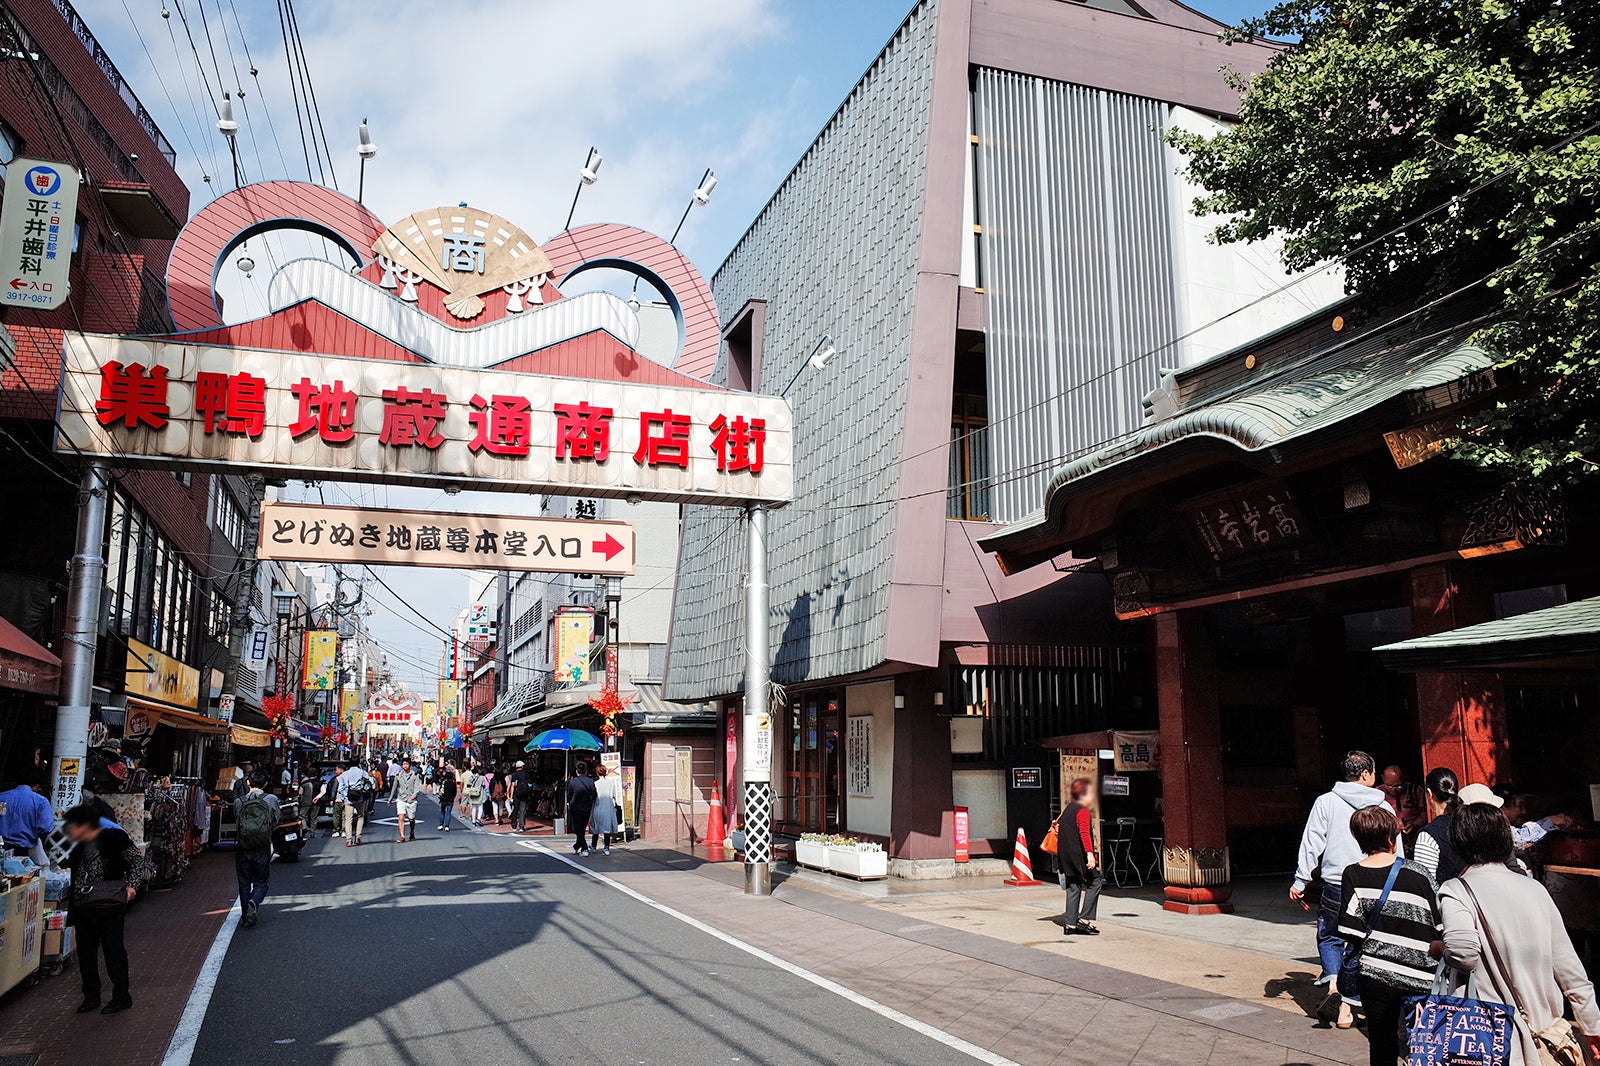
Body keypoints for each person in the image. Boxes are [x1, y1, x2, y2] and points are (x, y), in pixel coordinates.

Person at [1439, 802, 1600, 1065]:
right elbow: (1570, 970)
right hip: (1546, 1038)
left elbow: (1463, 953)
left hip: (1491, 1040)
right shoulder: (1534, 889)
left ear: (1460, 843)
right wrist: (1592, 1026)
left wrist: (1440, 949)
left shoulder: (1456, 890)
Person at [1290, 750, 1394, 1021]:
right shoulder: (1384, 807)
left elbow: (1312, 842)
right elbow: (1397, 848)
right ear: (1366, 774)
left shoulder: (1326, 802)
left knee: (1331, 936)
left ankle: (1335, 985)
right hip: (1377, 883)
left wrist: (1301, 879)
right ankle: (1356, 1000)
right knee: (1366, 940)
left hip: (1337, 883)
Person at [1337, 804, 1441, 1060]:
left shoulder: (1353, 874)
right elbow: (1440, 922)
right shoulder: (1419, 872)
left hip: (1376, 975)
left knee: (1382, 1045)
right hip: (1421, 974)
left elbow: (1351, 929)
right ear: (1390, 838)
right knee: (1423, 1046)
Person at [61, 803, 147, 1015]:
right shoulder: (78, 843)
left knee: (113, 950)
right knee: (86, 952)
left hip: (110, 902)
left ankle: (121, 996)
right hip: (83, 903)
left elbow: (137, 861)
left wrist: (132, 887)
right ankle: (91, 996)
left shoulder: (114, 838)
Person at [1058, 777, 1104, 937]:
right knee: (1096, 882)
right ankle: (1084, 920)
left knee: (1074, 886)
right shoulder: (1082, 810)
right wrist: (1090, 855)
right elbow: (1084, 833)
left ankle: (1070, 924)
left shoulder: (1069, 808)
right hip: (1078, 856)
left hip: (1065, 856)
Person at [233, 771, 280, 928]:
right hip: (262, 845)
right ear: (265, 784)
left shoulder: (239, 801)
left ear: (248, 783)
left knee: (244, 881)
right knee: (261, 881)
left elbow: (237, 820)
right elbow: (275, 820)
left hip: (243, 845)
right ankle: (254, 901)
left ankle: (246, 915)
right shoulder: (271, 799)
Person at [1412, 768, 1463, 882]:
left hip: (1446, 897)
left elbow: (1424, 882)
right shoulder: (1470, 823)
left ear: (1429, 794)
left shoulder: (1428, 835)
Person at [0, 771, 54, 861]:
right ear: (37, 785)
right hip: (25, 851)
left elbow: (2, 816)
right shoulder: (40, 801)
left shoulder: (3, 798)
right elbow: (46, 828)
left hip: (2, 847)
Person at [336, 760, 375, 846]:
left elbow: (340, 789)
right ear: (358, 764)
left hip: (348, 798)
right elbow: (371, 780)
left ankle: (349, 840)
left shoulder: (345, 774)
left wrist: (343, 797)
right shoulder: (361, 772)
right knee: (360, 817)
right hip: (359, 798)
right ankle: (358, 838)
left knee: (348, 819)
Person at [566, 763, 597, 856]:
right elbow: (594, 795)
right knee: (582, 828)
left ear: (576, 771)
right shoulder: (591, 781)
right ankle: (576, 846)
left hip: (575, 807)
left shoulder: (572, 782)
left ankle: (584, 848)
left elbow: (569, 795)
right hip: (587, 807)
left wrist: (569, 803)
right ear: (586, 770)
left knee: (578, 829)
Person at [590, 764, 622, 854]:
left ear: (597, 773)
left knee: (595, 828)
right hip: (608, 808)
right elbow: (614, 796)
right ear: (605, 772)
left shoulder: (595, 784)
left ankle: (593, 846)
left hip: (597, 807)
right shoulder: (611, 783)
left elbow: (593, 797)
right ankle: (606, 848)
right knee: (606, 829)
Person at [392, 758, 423, 842]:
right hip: (401, 798)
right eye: (403, 764)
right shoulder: (398, 775)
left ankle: (412, 832)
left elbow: (417, 787)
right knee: (401, 817)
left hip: (411, 800)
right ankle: (402, 836)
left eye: (406, 764)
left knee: (411, 819)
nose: (405, 766)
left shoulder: (415, 775)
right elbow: (394, 787)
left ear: (410, 765)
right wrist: (390, 799)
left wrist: (414, 795)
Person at [508, 760, 533, 833]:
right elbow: (529, 784)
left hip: (516, 794)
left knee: (515, 809)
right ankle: (521, 826)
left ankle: (514, 825)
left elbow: (513, 785)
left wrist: (511, 796)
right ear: (522, 766)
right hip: (524, 794)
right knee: (523, 810)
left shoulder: (514, 775)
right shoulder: (527, 774)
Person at [436, 760, 458, 831]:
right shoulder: (453, 783)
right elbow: (455, 792)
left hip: (443, 799)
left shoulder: (444, 783)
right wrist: (453, 797)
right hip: (450, 800)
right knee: (448, 813)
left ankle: (440, 825)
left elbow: (441, 791)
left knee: (442, 812)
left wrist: (440, 798)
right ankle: (447, 826)